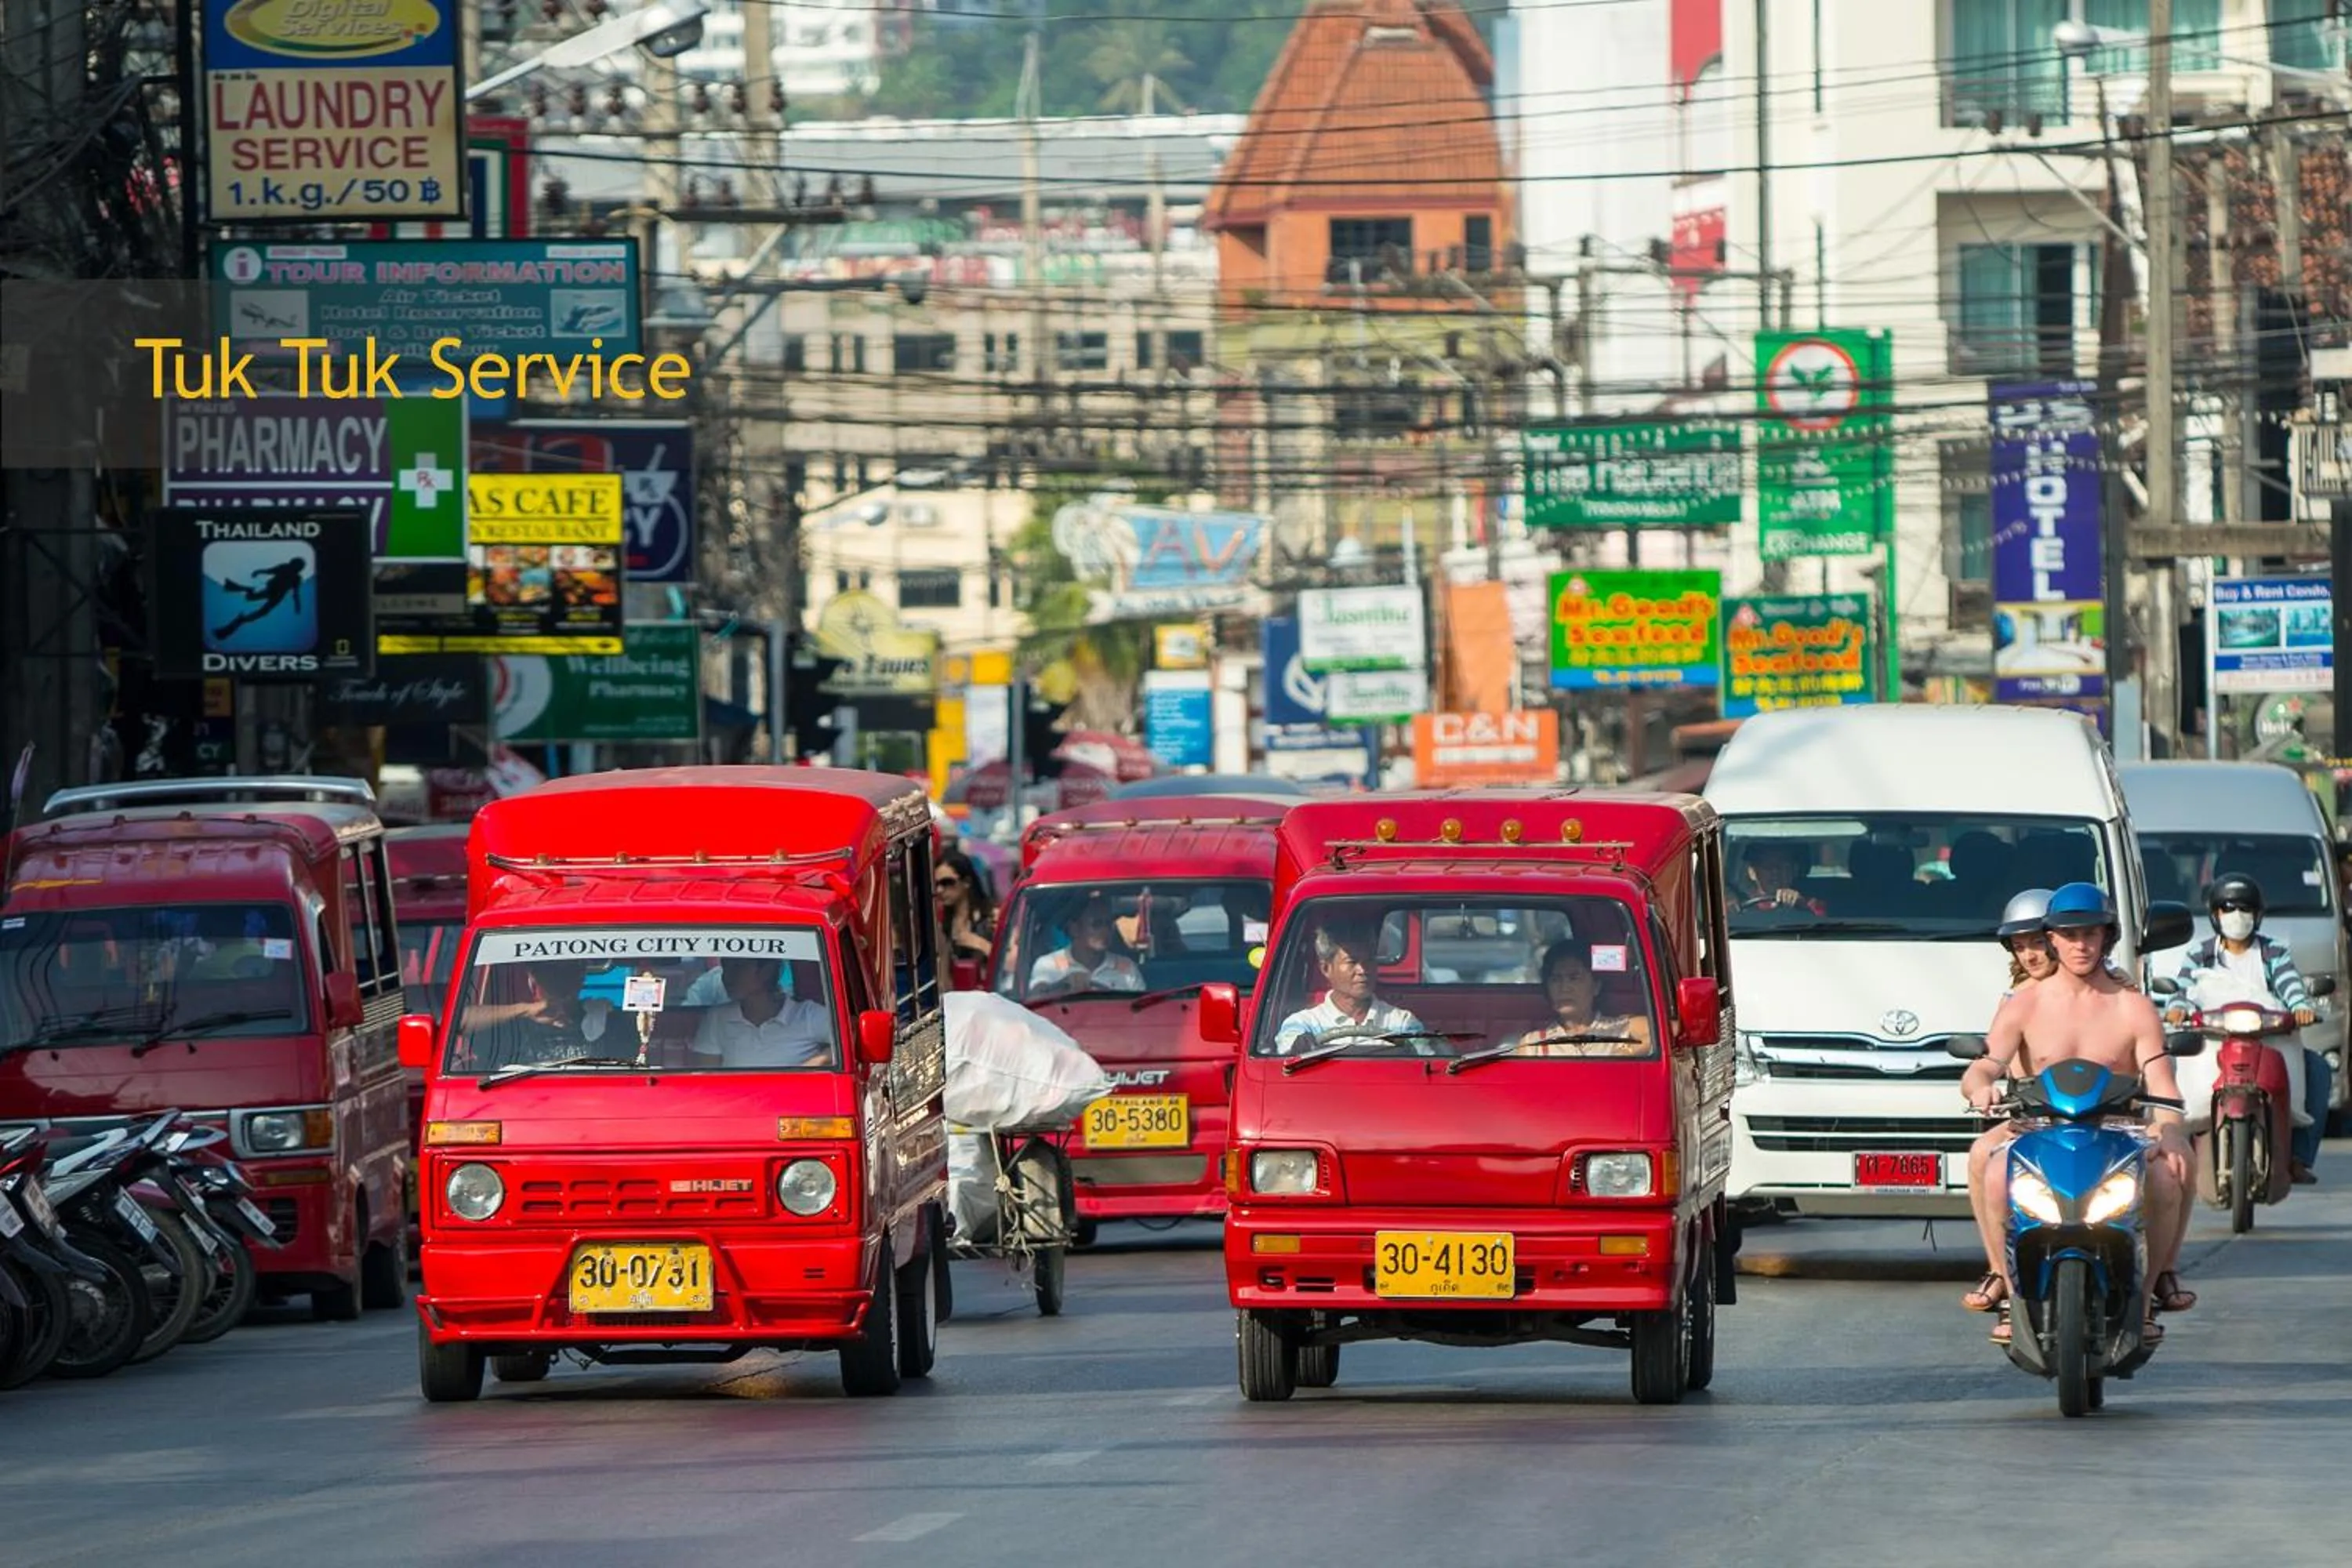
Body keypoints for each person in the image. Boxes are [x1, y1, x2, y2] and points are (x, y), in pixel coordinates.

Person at [1962, 883, 2195, 1346]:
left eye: (2091, 933)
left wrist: (2168, 1132)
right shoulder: (2023, 1002)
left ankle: (2150, 1293)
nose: (2080, 944)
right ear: (2052, 939)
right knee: (1989, 1166)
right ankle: (2007, 1287)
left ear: (2107, 936)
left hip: (2120, 1129)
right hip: (2039, 1126)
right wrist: (1981, 1085)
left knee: (2173, 1170)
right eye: (2069, 935)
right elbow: (1986, 1063)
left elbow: (2162, 1082)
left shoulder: (2133, 1006)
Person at [2165, 872, 2322, 1184]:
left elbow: (2289, 983)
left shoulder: (2273, 951)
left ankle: (2298, 1158)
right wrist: (2177, 1008)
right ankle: (2173, 1149)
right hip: (2214, 1038)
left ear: (2258, 914)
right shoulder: (2201, 953)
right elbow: (2182, 988)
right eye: (2228, 908)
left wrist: (2301, 1007)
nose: (2237, 917)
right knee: (2165, 1069)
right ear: (2215, 915)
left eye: (2246, 909)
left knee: (2317, 1070)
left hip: (2270, 1036)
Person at [1961, 887, 2053, 1314]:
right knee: (1982, 1153)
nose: (2032, 955)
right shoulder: (2013, 1002)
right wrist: (1982, 1086)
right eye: (2021, 947)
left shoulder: (2108, 991)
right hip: (2031, 1119)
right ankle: (2000, 1271)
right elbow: (1986, 1062)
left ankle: (2145, 1285)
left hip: (2097, 1119)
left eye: (2039, 942)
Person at [1272, 920, 1424, 1055]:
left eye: (1369, 961)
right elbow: (1286, 1061)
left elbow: (1431, 1063)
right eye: (1352, 962)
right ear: (1326, 969)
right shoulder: (1303, 1025)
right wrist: (1298, 1050)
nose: (1363, 970)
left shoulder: (1402, 1022)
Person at [1512, 939, 1650, 1057]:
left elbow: (1668, 1032)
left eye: (1574, 978)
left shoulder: (1618, 1028)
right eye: (1556, 979)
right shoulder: (1533, 1045)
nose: (1564, 987)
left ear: (1596, 986)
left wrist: (1625, 1053)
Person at [691, 957, 833, 1069]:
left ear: (766, 972)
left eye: (737, 967)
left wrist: (813, 1065)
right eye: (725, 967)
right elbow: (707, 1076)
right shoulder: (717, 1018)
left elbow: (848, 1039)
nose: (726, 977)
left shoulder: (807, 1015)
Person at [1028, 894, 1145, 997]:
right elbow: (1035, 999)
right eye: (1097, 924)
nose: (1105, 931)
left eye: (1108, 924)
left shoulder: (1127, 967)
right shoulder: (1049, 965)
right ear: (1075, 929)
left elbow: (1143, 1011)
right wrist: (1064, 985)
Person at [935, 848, 996, 963]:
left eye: (947, 882)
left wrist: (981, 945)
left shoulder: (992, 918)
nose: (940, 890)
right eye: (936, 884)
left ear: (967, 882)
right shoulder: (941, 924)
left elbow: (1011, 964)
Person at [1738, 840, 1827, 915]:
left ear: (1794, 870)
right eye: (1768, 866)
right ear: (1752, 872)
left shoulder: (1808, 902)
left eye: (1783, 866)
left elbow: (1826, 924)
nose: (1775, 872)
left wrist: (1801, 906)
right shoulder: (1739, 904)